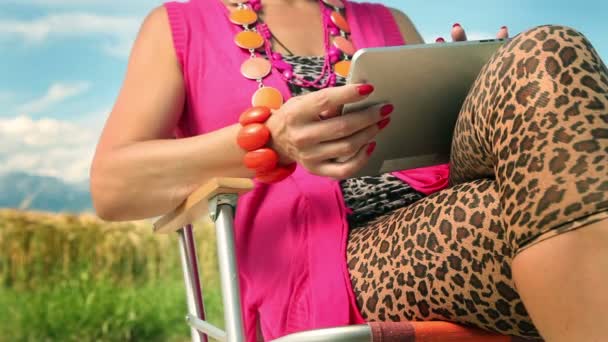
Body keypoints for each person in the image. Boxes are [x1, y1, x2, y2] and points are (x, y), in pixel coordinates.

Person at [90, 0, 608, 341]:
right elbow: (112, 187)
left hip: (442, 210)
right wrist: (272, 140)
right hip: (330, 261)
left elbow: (436, 158)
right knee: (561, 174)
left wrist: (465, 84)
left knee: (544, 54)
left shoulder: (389, 21)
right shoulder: (179, 25)